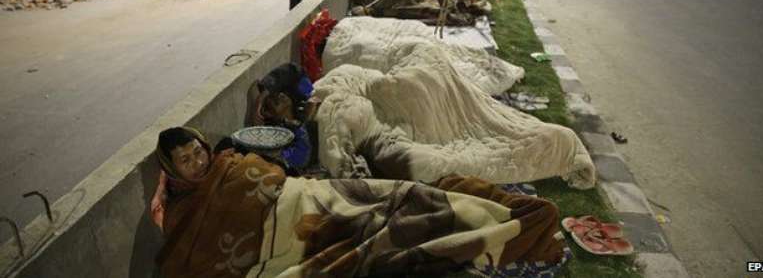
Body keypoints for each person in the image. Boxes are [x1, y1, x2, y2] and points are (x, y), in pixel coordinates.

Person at [152, 127, 568, 278]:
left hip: (317, 195)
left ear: (205, 144)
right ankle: (491, 226)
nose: (197, 162)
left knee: (405, 196)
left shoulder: (229, 159)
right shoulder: (184, 211)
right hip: (291, 235)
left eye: (197, 150)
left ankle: (477, 209)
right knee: (385, 236)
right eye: (185, 161)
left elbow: (279, 177)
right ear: (171, 169)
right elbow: (199, 256)